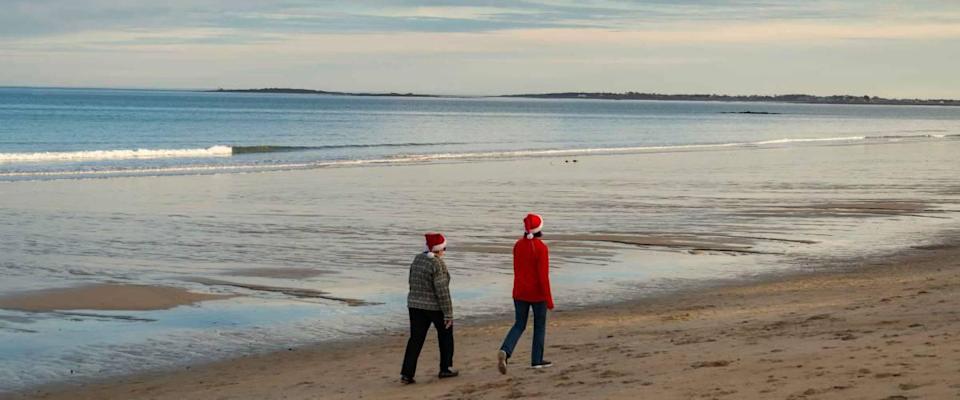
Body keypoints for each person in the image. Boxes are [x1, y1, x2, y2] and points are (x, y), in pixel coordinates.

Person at [497, 213, 554, 374]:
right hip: (537, 294)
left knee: (519, 325)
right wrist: (549, 300)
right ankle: (536, 360)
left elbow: (517, 269)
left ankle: (506, 350)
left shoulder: (518, 245)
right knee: (539, 326)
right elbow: (543, 277)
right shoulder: (541, 248)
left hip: (519, 291)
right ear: (539, 230)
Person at [400, 232, 459, 384]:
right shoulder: (437, 264)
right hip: (434, 307)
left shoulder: (417, 259)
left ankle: (407, 373)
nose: (444, 252)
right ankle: (445, 368)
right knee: (446, 334)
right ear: (437, 250)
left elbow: (411, 281)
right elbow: (442, 291)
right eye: (444, 249)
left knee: (416, 339)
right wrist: (448, 314)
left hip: (414, 304)